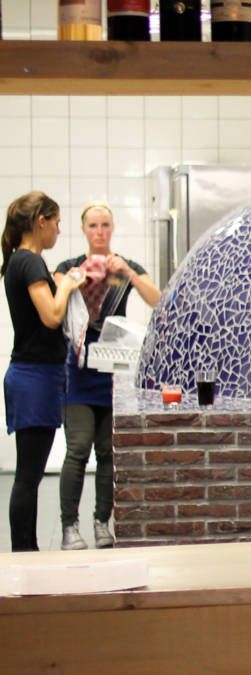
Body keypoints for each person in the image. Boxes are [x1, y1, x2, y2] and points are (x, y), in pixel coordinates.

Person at [54, 202, 160, 550]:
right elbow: (56, 304)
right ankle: (70, 526)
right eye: (93, 225)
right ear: (83, 229)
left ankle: (102, 522)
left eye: (104, 225)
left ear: (112, 229)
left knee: (108, 453)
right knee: (78, 449)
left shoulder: (123, 267)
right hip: (80, 371)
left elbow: (156, 300)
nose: (99, 231)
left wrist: (127, 272)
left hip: (113, 371)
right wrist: (75, 279)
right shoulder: (69, 267)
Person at [3, 191, 83, 552]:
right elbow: (51, 316)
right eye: (57, 222)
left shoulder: (21, 262)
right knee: (29, 475)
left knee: (29, 474)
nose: (58, 230)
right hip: (34, 377)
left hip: (36, 376)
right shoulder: (30, 262)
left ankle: (26, 551)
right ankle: (24, 553)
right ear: (41, 222)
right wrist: (65, 284)